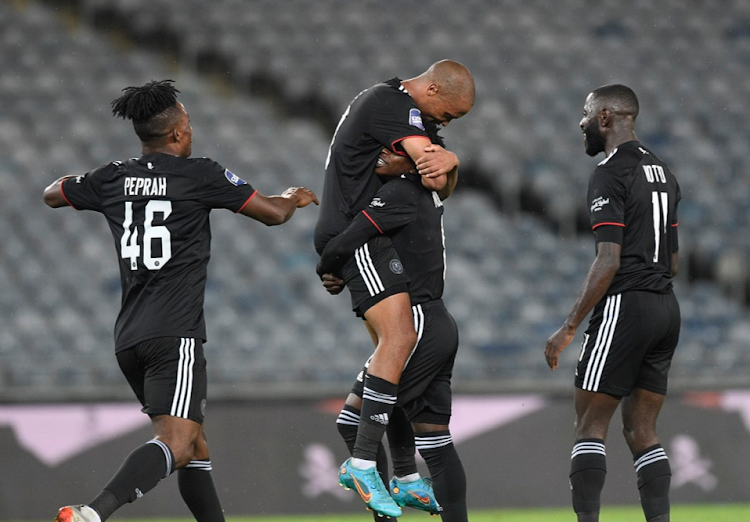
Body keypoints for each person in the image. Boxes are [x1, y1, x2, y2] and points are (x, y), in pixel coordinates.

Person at [44, 80, 318, 522]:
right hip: (175, 335)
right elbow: (272, 214)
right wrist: (293, 197)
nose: (191, 132)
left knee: (195, 446)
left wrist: (82, 181)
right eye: (188, 125)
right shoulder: (200, 174)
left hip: (129, 339)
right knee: (176, 442)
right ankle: (93, 513)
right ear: (175, 134)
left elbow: (53, 193)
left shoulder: (114, 176)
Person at [313, 60, 474, 517]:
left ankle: (394, 473)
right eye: (450, 113)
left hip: (372, 250)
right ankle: (374, 467)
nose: (446, 125)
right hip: (357, 234)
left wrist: (450, 160)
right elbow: (432, 167)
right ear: (434, 88)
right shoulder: (389, 105)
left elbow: (439, 174)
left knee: (387, 371)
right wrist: (331, 260)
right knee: (398, 345)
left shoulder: (407, 133)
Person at [544, 84, 681, 522]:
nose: (581, 123)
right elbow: (674, 261)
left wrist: (569, 327)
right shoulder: (664, 172)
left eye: (585, 114)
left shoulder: (609, 172)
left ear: (605, 118)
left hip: (628, 304)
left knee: (590, 426)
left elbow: (609, 259)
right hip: (666, 308)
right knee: (642, 430)